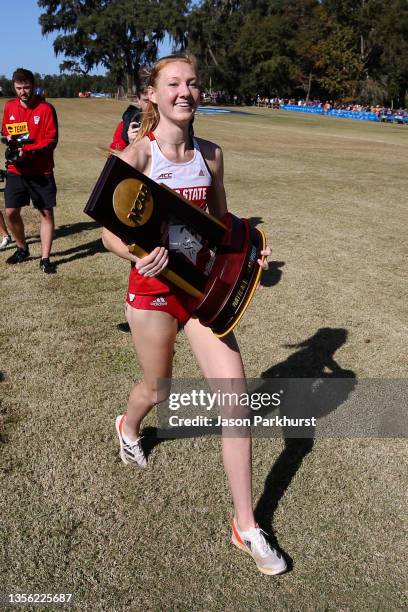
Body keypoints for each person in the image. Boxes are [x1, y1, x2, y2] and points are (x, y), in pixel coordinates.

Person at [101, 54, 286, 576]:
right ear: (153, 94)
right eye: (174, 83)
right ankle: (129, 426)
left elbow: (223, 223)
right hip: (152, 291)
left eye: (193, 83)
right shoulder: (136, 155)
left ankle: (245, 525)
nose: (186, 91)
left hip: (202, 294)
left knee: (236, 401)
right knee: (158, 388)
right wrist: (137, 254)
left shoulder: (212, 154)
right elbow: (107, 231)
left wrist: (249, 250)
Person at [1, 68, 58, 273]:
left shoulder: (46, 109)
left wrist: (29, 152)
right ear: (14, 88)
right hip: (16, 169)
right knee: (11, 211)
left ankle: (45, 258)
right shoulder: (9, 107)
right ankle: (22, 248)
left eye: (26, 87)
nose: (23, 91)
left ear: (33, 86)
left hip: (41, 172)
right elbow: (5, 131)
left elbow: (51, 141)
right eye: (18, 88)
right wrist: (7, 139)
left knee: (45, 213)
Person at [109, 82, 150, 333]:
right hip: (135, 197)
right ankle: (135, 312)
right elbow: (112, 159)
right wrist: (131, 144)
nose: (151, 102)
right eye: (146, 97)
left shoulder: (171, 122)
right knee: (137, 259)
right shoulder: (127, 122)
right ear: (139, 97)